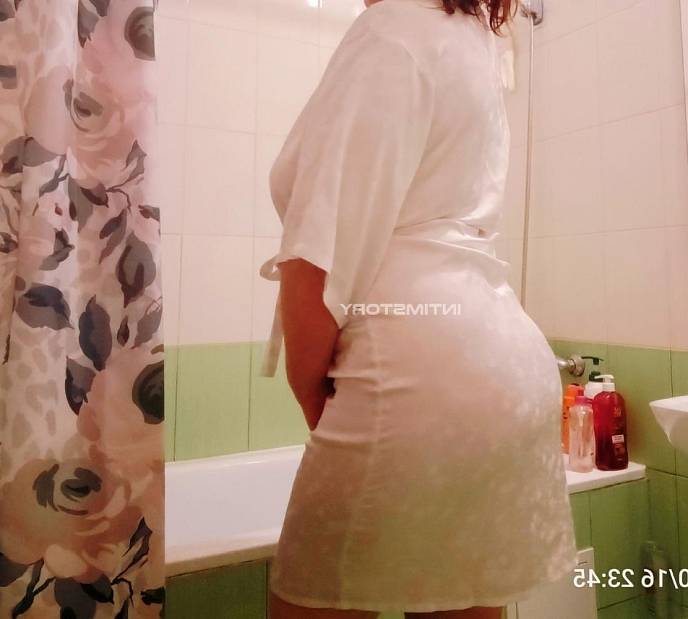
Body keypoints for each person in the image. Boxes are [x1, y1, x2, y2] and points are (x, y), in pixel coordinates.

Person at [259, 0, 577, 616]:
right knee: (458, 602)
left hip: (415, 374)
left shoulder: (392, 31)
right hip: (506, 367)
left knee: (313, 598)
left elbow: (319, 249)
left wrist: (310, 389)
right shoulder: (474, 42)